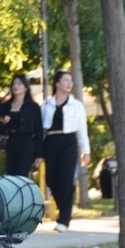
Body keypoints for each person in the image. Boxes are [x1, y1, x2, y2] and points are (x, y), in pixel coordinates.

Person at [40, 70, 90, 232]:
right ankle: (65, 208)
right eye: (65, 80)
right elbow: (40, 129)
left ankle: (64, 218)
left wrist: (86, 151)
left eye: (71, 80)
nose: (69, 83)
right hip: (51, 142)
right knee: (52, 179)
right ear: (57, 83)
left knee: (66, 178)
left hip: (68, 142)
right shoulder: (46, 104)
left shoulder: (76, 105)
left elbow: (82, 129)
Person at [0, 73, 44, 176]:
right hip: (12, 142)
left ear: (26, 88)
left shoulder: (33, 107)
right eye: (14, 84)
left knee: (21, 175)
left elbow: (39, 131)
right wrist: (4, 123)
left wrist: (39, 154)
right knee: (11, 175)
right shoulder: (5, 107)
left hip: (27, 144)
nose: (16, 86)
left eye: (19, 84)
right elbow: (0, 130)